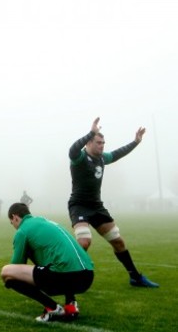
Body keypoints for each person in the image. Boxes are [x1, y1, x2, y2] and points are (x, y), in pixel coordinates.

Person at [68, 117, 158, 288]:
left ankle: (135, 277)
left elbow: (118, 153)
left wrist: (136, 142)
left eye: (103, 142)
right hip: (79, 205)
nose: (102, 145)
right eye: (98, 142)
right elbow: (72, 150)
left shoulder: (103, 158)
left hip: (97, 207)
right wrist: (90, 132)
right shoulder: (79, 158)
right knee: (84, 241)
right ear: (88, 143)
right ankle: (69, 276)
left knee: (118, 241)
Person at [1, 203, 94, 322]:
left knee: (7, 273)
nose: (13, 226)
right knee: (59, 263)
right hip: (87, 277)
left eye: (12, 223)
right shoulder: (45, 221)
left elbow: (15, 266)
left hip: (67, 277)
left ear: (15, 217)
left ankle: (52, 308)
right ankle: (71, 305)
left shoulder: (22, 230)